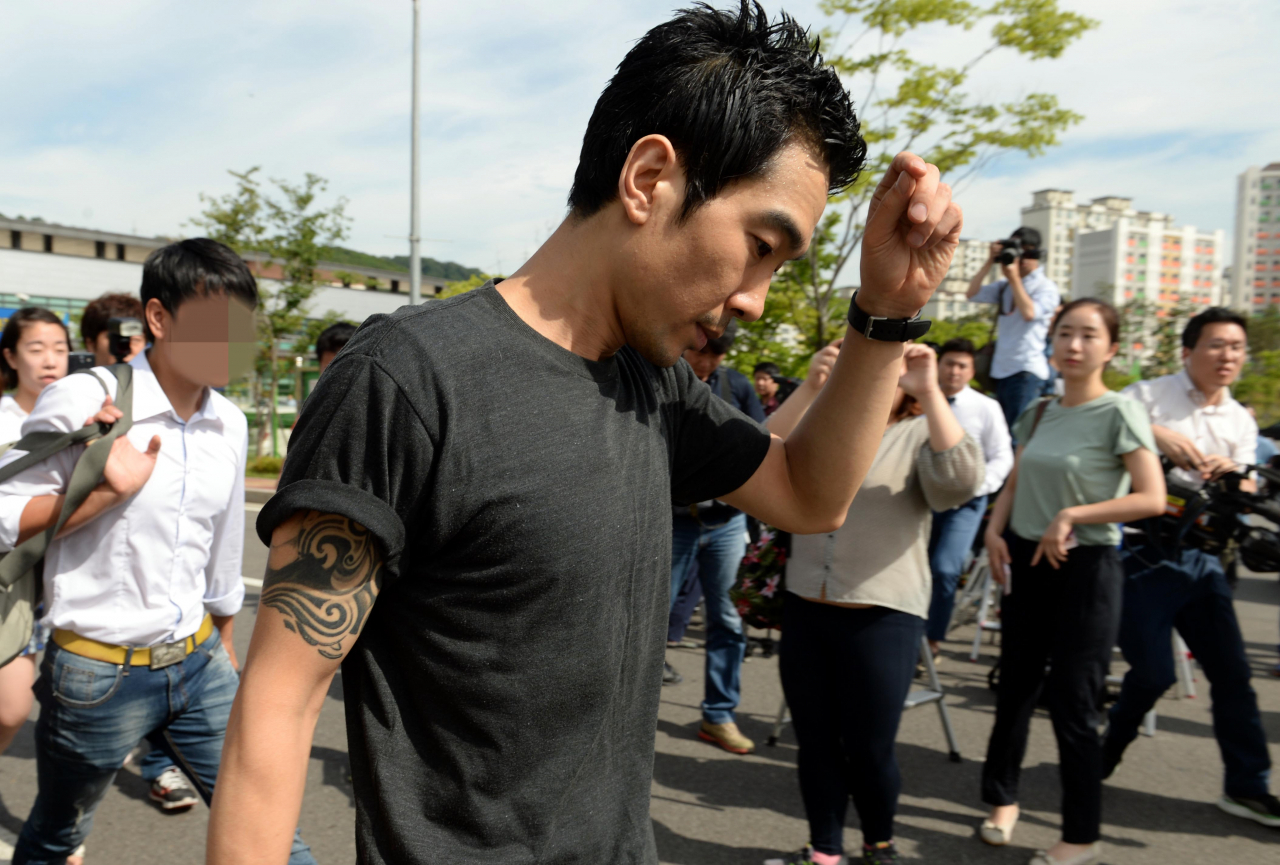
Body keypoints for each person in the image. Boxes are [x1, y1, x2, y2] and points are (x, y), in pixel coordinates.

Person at [207, 4, 964, 862]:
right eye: (760, 244)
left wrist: (887, 314)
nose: (754, 296)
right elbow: (276, 708)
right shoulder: (411, 379)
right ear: (649, 178)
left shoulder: (655, 382)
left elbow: (809, 492)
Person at [0, 239, 316, 865]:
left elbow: (223, 545)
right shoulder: (87, 398)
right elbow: (7, 517)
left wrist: (224, 639)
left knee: (273, 834)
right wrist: (99, 493)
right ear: (159, 318)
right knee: (58, 836)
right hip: (95, 673)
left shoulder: (229, 421)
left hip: (199, 662)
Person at [768, 342, 983, 865]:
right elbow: (753, 453)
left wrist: (930, 391)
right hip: (806, 606)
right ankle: (824, 851)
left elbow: (960, 483)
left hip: (884, 616)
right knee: (815, 742)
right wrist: (813, 388)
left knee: (869, 748)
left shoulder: (918, 432)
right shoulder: (819, 425)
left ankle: (879, 844)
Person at [978, 298, 1165, 865]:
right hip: (1027, 559)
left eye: (1087, 335)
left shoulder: (1120, 412)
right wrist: (993, 530)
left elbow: (1151, 497)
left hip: (1087, 567)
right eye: (1063, 333)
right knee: (1015, 688)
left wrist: (1073, 516)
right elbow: (1015, 477)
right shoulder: (1037, 410)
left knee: (1074, 702)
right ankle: (1002, 800)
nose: (1073, 345)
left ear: (1111, 348)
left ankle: (1080, 837)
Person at [1104, 307, 1280, 828]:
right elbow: (1105, 424)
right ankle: (1103, 753)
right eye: (1217, 345)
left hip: (1205, 561)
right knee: (1153, 673)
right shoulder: (1146, 397)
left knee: (1233, 677)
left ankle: (1247, 788)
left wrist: (1236, 478)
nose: (1228, 356)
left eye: (1237, 348)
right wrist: (1155, 433)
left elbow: (1247, 491)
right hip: (1141, 555)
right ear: (1188, 351)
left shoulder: (1240, 420)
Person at [666, 320, 765, 750]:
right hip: (673, 522)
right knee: (650, 621)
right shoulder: (663, 379)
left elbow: (763, 444)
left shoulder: (738, 387)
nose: (706, 361)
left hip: (726, 523)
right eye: (702, 351)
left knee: (726, 619)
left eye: (716, 355)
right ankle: (626, 720)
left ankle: (719, 715)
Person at [0, 308, 70, 758]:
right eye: (36, 349)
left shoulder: (80, 416)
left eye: (60, 349)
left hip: (53, 578)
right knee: (12, 707)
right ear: (10, 356)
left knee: (15, 706)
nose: (50, 360)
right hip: (10, 579)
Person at [925, 338, 1013, 659]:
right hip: (920, 501)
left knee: (946, 569)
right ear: (938, 366)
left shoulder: (986, 407)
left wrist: (977, 486)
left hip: (966, 503)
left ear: (972, 370)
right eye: (949, 363)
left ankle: (931, 642)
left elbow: (1002, 456)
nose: (954, 371)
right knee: (913, 568)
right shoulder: (915, 401)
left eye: (962, 365)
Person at [965, 227, 1060, 432]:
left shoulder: (1046, 287)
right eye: (1017, 251)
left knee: (1017, 435)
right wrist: (990, 261)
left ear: (1036, 253)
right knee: (1001, 434)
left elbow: (1029, 313)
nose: (1021, 258)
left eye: (1026, 251)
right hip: (1001, 370)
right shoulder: (1004, 286)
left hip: (1026, 370)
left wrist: (1014, 277)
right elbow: (971, 294)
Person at [79, 293, 146, 367]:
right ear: (91, 344)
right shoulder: (79, 378)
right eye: (117, 338)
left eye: (136, 340)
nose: (127, 348)